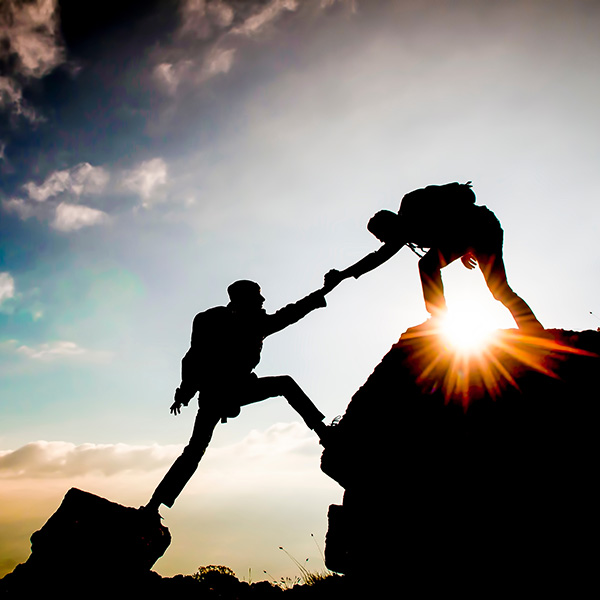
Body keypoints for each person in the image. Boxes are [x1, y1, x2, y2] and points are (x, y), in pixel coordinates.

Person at [144, 279, 331, 514]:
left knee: (194, 450)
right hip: (225, 393)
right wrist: (185, 392)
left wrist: (185, 392)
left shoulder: (218, 320)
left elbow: (192, 358)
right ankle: (323, 431)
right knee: (285, 384)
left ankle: (154, 505)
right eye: (258, 296)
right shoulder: (238, 322)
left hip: (213, 396)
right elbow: (195, 357)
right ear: (244, 299)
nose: (263, 300)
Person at [324, 181, 543, 331]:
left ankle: (532, 330)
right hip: (469, 237)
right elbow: (376, 258)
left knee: (498, 290)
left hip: (482, 228)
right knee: (429, 264)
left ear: (390, 225)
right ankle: (438, 318)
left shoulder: (413, 203)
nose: (385, 242)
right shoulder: (403, 234)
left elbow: (462, 199)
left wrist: (465, 245)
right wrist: (342, 275)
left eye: (383, 236)